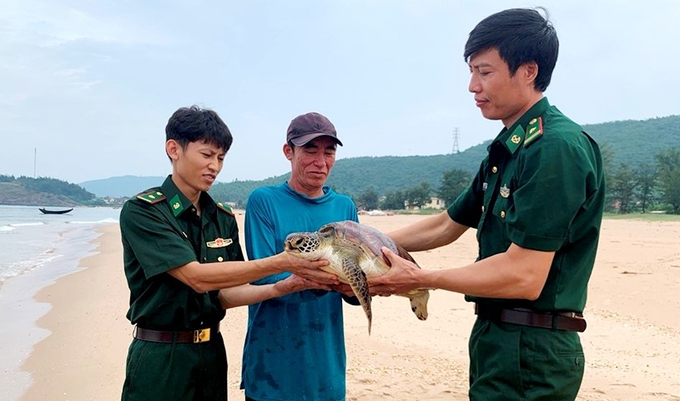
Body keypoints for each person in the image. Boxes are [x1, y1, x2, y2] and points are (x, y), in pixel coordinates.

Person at [369, 8, 605, 401]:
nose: (472, 86)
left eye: (485, 72)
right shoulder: (510, 146)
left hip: (533, 347)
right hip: (497, 340)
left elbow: (524, 276)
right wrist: (362, 240)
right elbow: (446, 225)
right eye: (472, 71)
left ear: (528, 71)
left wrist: (421, 278)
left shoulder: (555, 148)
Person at [119, 105, 337, 401]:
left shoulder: (221, 217)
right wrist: (283, 261)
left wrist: (283, 286)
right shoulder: (144, 211)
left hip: (210, 353)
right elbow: (195, 277)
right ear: (174, 149)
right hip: (161, 356)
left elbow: (225, 295)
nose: (215, 167)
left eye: (221, 158)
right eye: (207, 155)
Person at [240, 111, 359, 401]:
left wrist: (363, 286)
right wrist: (331, 279)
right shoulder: (264, 201)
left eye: (328, 152)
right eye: (310, 150)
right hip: (272, 371)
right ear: (288, 151)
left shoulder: (345, 209)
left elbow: (356, 280)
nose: (321, 162)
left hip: (326, 371)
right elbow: (265, 278)